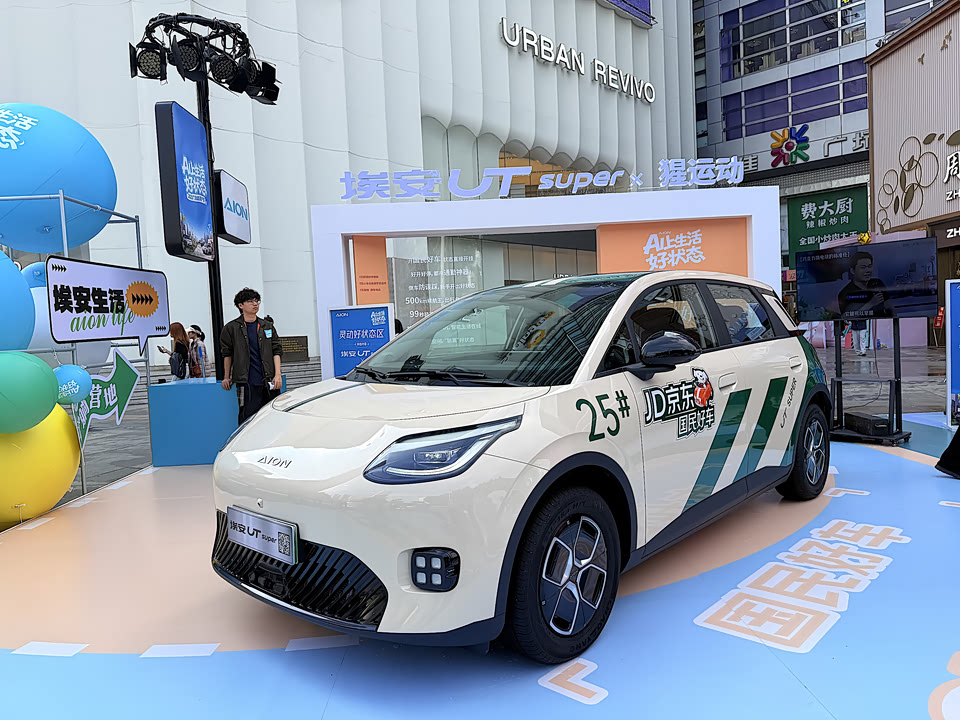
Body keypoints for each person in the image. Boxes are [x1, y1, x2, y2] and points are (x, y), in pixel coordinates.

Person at [220, 288, 283, 425]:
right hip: (246, 381)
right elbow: (227, 353)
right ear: (240, 305)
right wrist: (226, 376)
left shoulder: (267, 326)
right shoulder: (231, 328)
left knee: (273, 418)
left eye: (257, 301)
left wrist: (278, 374)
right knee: (247, 419)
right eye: (250, 301)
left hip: (269, 381)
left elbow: (276, 350)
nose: (255, 304)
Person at [838, 251, 895, 324]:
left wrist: (894, 321)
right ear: (852, 271)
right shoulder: (845, 293)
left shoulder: (877, 283)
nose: (868, 270)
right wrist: (871, 303)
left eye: (869, 266)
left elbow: (890, 307)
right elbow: (847, 318)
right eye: (863, 267)